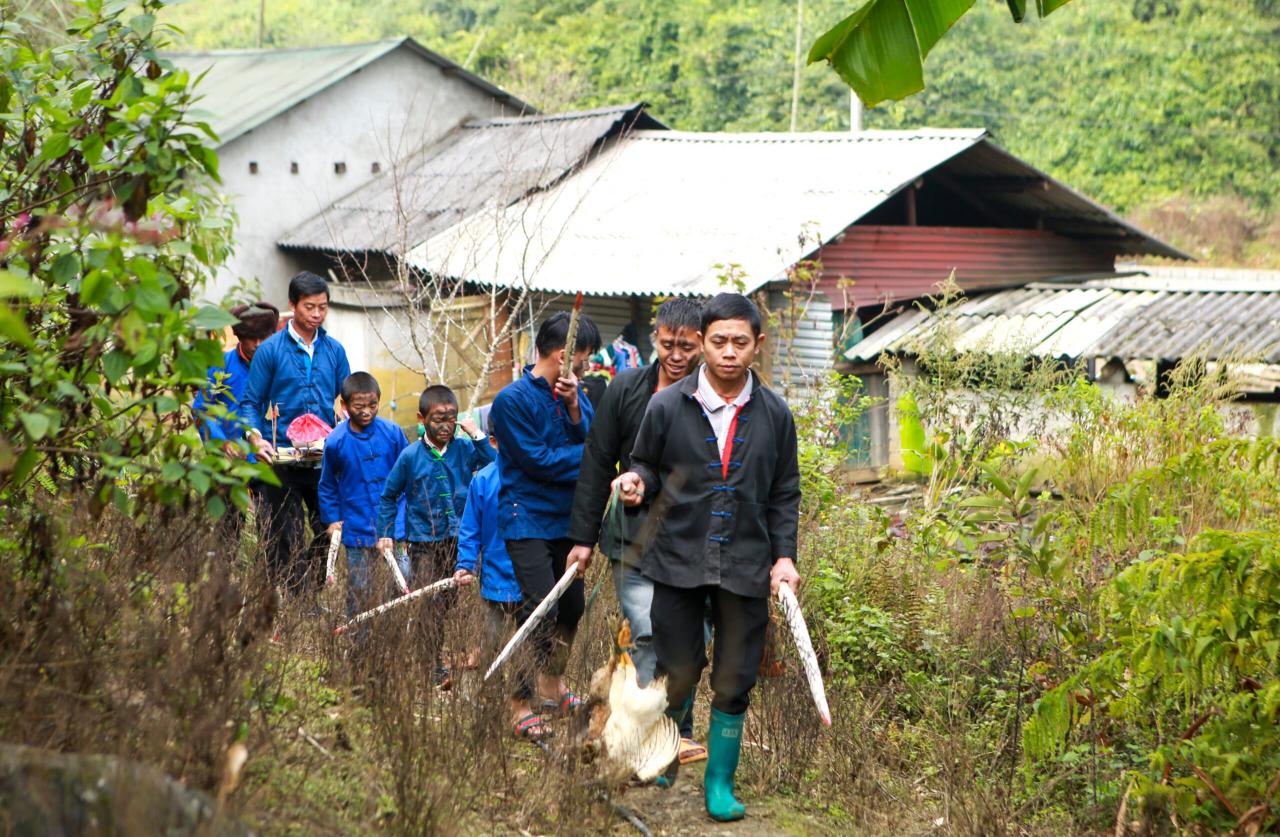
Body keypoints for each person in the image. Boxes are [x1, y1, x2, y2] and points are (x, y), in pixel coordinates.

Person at [609, 293, 801, 822]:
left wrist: (784, 557)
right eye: (718, 341)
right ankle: (667, 746)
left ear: (757, 346)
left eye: (741, 342)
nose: (729, 353)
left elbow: (785, 492)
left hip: (744, 561)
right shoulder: (667, 406)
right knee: (678, 664)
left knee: (735, 673)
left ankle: (719, 781)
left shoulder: (775, 414)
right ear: (701, 343)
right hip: (677, 556)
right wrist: (634, 482)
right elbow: (646, 465)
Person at [566, 297, 708, 765]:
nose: (676, 355)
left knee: (690, 641)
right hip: (633, 537)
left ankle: (669, 729)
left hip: (694, 539)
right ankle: (643, 736)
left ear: (702, 343)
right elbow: (596, 462)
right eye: (667, 344)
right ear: (655, 339)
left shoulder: (713, 398)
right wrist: (583, 539)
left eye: (686, 346)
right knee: (647, 630)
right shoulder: (626, 389)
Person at [489, 310, 600, 741]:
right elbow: (537, 462)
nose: (586, 369)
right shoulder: (512, 401)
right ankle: (519, 702)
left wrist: (574, 406)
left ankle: (551, 681)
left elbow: (594, 438)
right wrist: (589, 460)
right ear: (562, 354)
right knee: (539, 609)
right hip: (526, 517)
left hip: (567, 520)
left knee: (571, 607)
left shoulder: (575, 393)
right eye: (584, 359)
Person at [240, 272, 352, 593]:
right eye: (309, 307)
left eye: (323, 307)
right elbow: (251, 401)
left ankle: (313, 589)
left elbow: (347, 399)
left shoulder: (334, 351)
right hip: (279, 460)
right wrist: (255, 437)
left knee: (328, 530)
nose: (317, 314)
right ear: (292, 305)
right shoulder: (271, 351)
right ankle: (298, 608)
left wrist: (344, 428)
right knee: (284, 538)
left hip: (322, 461)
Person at [376, 385, 490, 684]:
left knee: (448, 600)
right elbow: (389, 496)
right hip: (423, 542)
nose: (445, 426)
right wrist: (386, 533)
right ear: (421, 418)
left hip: (458, 541)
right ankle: (430, 665)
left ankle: (439, 653)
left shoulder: (465, 449)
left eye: (451, 418)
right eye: (438, 419)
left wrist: (476, 435)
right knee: (430, 603)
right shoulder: (410, 456)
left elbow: (493, 464)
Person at [318, 372, 410, 622]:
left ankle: (394, 630)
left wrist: (400, 523)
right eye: (359, 406)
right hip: (356, 526)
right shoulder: (336, 441)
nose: (367, 411)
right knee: (360, 587)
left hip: (394, 525)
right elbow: (327, 485)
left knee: (404, 576)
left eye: (373, 405)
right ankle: (359, 640)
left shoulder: (393, 433)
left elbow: (409, 476)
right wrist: (332, 519)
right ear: (344, 406)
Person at [192, 301, 280, 537]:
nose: (258, 344)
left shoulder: (278, 368)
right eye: (252, 337)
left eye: (264, 337)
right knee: (227, 533)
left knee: (273, 530)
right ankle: (223, 574)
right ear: (240, 335)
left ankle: (272, 573)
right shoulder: (220, 366)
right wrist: (222, 443)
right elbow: (202, 410)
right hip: (228, 461)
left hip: (265, 460)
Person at [452, 415, 522, 684]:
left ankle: (526, 694)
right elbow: (470, 529)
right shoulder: (483, 481)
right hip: (494, 578)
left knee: (528, 642)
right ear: (494, 442)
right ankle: (489, 690)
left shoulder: (536, 477)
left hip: (530, 578)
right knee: (490, 640)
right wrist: (466, 564)